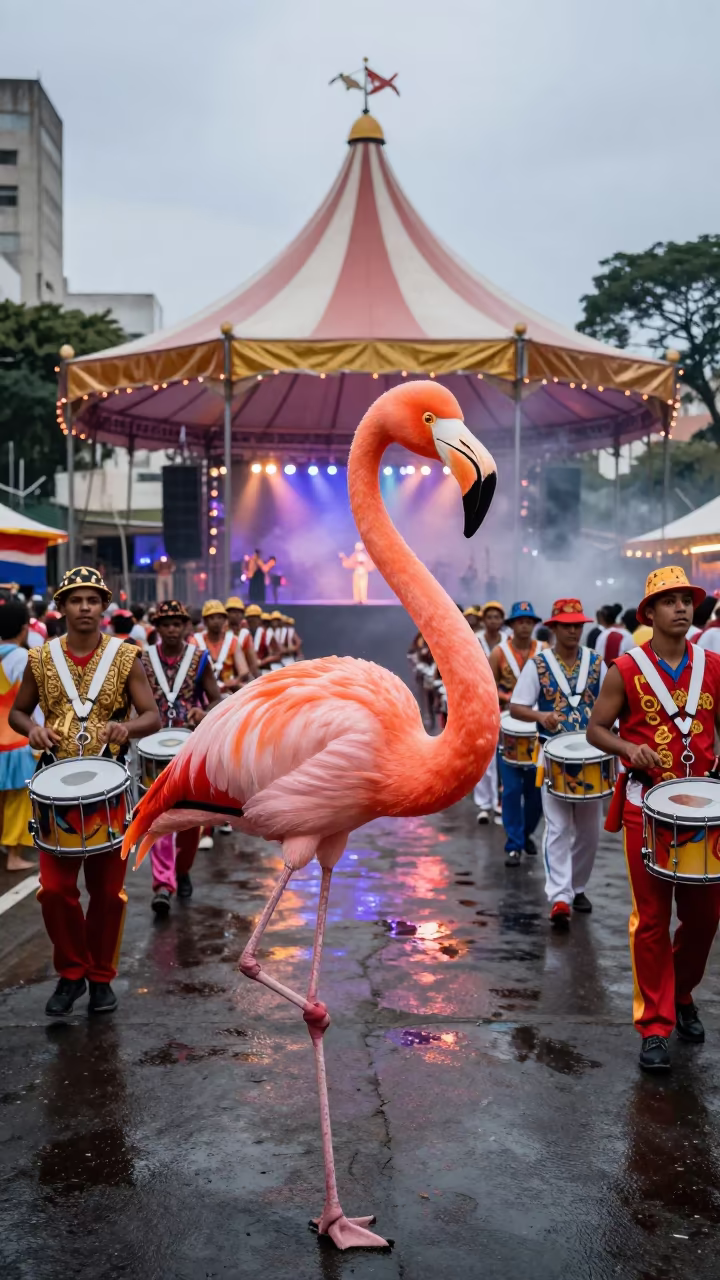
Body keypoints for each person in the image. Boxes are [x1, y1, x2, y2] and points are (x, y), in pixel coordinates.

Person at [9, 566, 160, 1017]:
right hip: (54, 791)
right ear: (61, 608)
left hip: (108, 790)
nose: (85, 608)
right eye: (76, 600)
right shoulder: (41, 658)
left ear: (104, 606)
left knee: (107, 893)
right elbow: (19, 713)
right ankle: (71, 972)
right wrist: (33, 730)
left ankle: (100, 978)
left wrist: (125, 726)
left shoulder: (125, 655)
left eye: (93, 600)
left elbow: (151, 715)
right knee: (54, 890)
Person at [587, 566, 720, 1073]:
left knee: (706, 915)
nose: (682, 608)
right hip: (649, 809)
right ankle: (656, 1026)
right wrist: (627, 747)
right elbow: (598, 728)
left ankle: (682, 991)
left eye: (686, 599)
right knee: (652, 919)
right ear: (650, 612)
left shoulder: (713, 665)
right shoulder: (625, 668)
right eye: (670, 601)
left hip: (705, 815)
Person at [511, 598, 606, 929]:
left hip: (592, 757)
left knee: (589, 831)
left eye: (578, 625)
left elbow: (612, 701)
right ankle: (560, 897)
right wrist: (540, 715)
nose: (574, 631)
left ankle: (578, 887)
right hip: (553, 756)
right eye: (567, 625)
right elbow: (516, 707)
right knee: (559, 827)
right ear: (552, 628)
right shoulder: (538, 665)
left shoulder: (597, 662)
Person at [141, 600, 222, 914]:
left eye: (178, 623)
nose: (172, 629)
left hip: (190, 747)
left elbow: (216, 698)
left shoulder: (199, 659)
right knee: (159, 818)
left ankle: (183, 868)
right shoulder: (143, 660)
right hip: (153, 750)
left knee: (189, 821)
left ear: (186, 626)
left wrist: (204, 710)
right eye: (166, 624)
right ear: (157, 628)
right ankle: (163, 884)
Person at [489, 601, 545, 867]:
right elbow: (487, 688)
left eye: (529, 621)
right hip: (508, 727)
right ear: (512, 625)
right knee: (510, 790)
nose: (524, 625)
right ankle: (514, 843)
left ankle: (525, 833)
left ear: (534, 625)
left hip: (537, 727)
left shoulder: (545, 651)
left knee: (537, 791)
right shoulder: (498, 653)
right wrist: (506, 698)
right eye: (520, 621)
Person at [0, 598, 38, 871]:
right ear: (24, 629)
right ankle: (13, 854)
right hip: (15, 741)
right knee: (18, 800)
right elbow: (31, 704)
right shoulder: (22, 657)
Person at [474, 601, 505, 823]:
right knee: (482, 754)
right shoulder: (474, 639)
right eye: (490, 617)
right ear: (484, 620)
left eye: (497, 617)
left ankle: (499, 802)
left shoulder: (508, 642)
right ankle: (484, 804)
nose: (493, 621)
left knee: (503, 756)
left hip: (504, 704)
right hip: (478, 702)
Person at [191, 600, 249, 691]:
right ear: (205, 621)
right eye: (212, 618)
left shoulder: (232, 641)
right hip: (202, 690)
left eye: (219, 618)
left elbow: (244, 670)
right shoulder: (196, 641)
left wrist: (235, 681)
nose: (216, 621)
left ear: (225, 620)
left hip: (227, 690)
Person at [225, 596, 259, 679]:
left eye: (239, 612)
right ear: (226, 614)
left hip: (242, 678)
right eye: (233, 611)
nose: (237, 614)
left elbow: (253, 663)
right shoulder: (221, 633)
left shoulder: (245, 634)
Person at [244, 605, 277, 671]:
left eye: (255, 617)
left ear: (260, 619)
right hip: (247, 670)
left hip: (263, 670)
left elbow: (278, 655)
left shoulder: (267, 634)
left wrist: (263, 662)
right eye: (250, 617)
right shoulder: (243, 634)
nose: (252, 620)